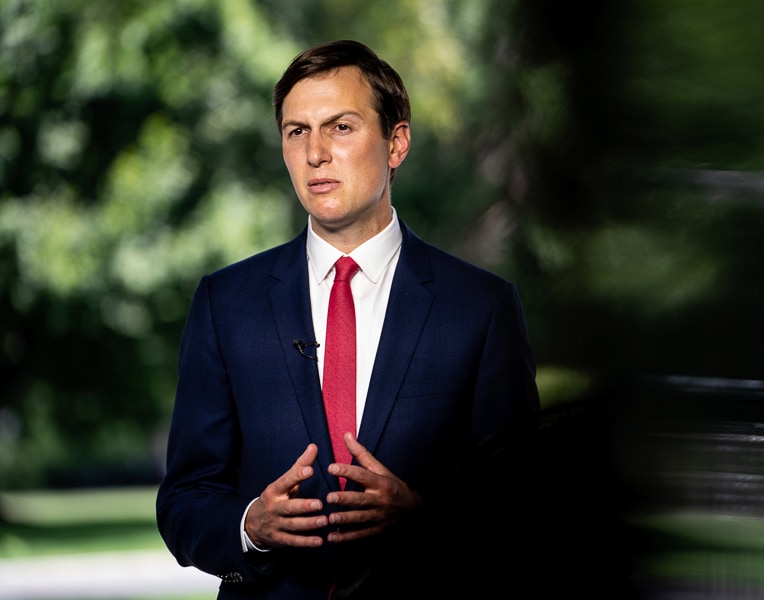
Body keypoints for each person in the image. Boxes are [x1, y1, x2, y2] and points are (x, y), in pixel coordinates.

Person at [156, 39, 540, 599]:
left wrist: (425, 516)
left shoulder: (481, 308)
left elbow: (524, 504)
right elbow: (184, 500)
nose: (315, 153)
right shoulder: (226, 304)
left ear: (396, 143)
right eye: (296, 131)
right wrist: (250, 526)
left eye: (340, 127)